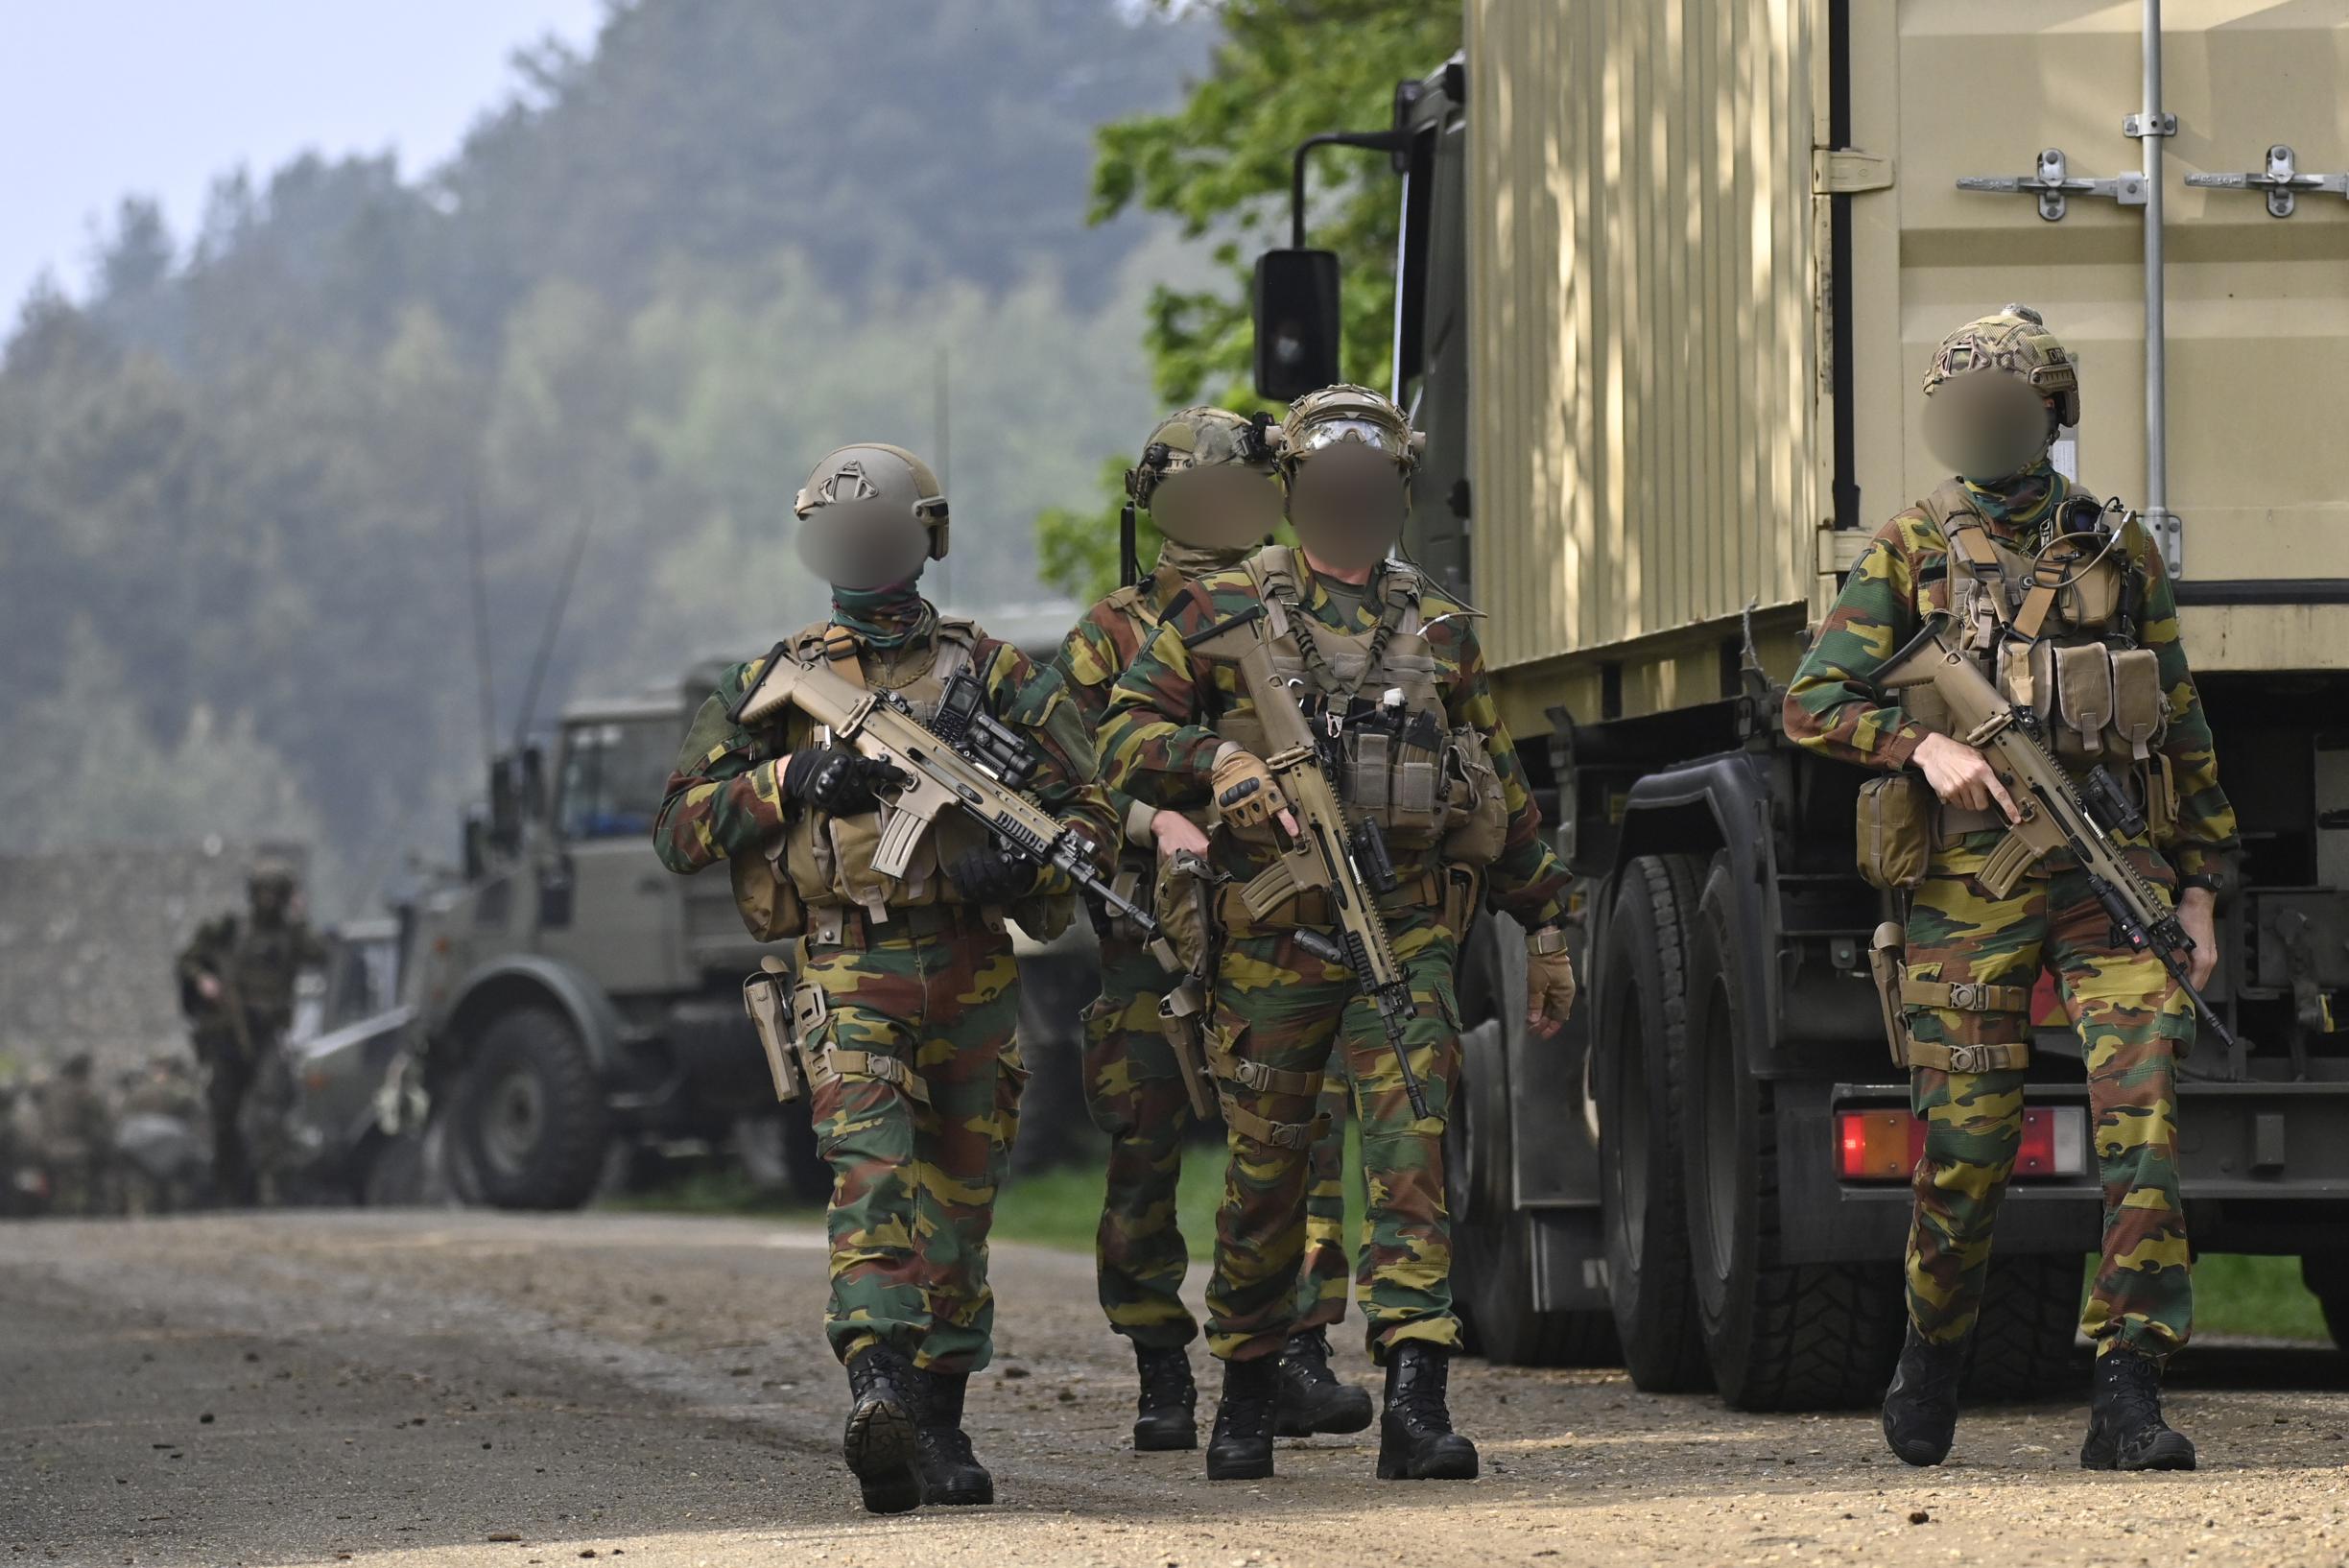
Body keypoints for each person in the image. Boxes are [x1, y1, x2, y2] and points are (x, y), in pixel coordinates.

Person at [1784, 305, 2237, 1474]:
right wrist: (1921, 748)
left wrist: (2197, 892)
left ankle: (2127, 1385)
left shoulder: (2117, 550)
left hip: (2109, 867)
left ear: (2052, 415)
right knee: (1970, 1143)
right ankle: (1933, 1349)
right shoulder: (1911, 546)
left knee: (2142, 1117)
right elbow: (1811, 700)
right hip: (1968, 883)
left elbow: (2179, 719)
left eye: (2007, 409)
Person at [1099, 385, 1578, 1482]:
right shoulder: (1224, 610)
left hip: (1403, 927)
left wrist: (1546, 919)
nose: (1351, 508)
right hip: (1271, 935)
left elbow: (1497, 786)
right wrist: (1217, 764)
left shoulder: (1440, 628)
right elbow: (1125, 733)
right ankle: (1248, 1382)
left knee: (1413, 1155)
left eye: (1370, 490)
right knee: (1265, 1176)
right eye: (1330, 490)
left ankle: (1418, 1394)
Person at [653, 441, 1117, 1514]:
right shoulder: (775, 682)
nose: (865, 553)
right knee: (873, 1178)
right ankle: (879, 1389)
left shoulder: (994, 675)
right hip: (847, 965)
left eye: (883, 531)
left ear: (926, 537)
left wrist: (1025, 859)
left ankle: (940, 1421)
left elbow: (1087, 805)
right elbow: (678, 826)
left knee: (960, 1196)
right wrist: (788, 776)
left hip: (970, 964)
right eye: (845, 534)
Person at [1055, 408, 1376, 1451]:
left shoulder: (1310, 610)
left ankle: (1295, 1349)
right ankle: (1159, 1362)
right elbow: (1079, 773)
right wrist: (1164, 815)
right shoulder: (1108, 634)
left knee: (1297, 1142)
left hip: (1281, 925)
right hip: (1150, 929)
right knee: (1146, 1145)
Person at [177, 855, 326, 1205]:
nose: (268, 899)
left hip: (268, 1033)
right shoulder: (231, 928)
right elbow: (188, 959)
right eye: (263, 891)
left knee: (270, 1109)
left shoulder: (292, 935)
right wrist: (204, 981)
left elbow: (321, 955)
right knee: (223, 1111)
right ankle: (229, 1187)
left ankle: (269, 1186)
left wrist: (301, 918)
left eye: (276, 892)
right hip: (229, 1033)